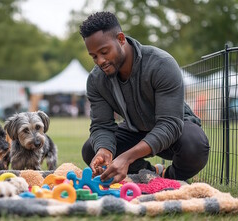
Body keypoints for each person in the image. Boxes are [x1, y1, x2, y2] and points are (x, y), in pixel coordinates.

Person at [79, 11, 210, 183]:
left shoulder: (161, 64)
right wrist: (105, 150)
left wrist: (126, 157)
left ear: (120, 39)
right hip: (135, 130)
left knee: (195, 144)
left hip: (175, 128)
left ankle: (169, 178)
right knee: (91, 149)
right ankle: (148, 173)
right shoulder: (96, 80)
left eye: (104, 51)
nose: (100, 61)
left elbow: (169, 125)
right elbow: (101, 125)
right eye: (94, 56)